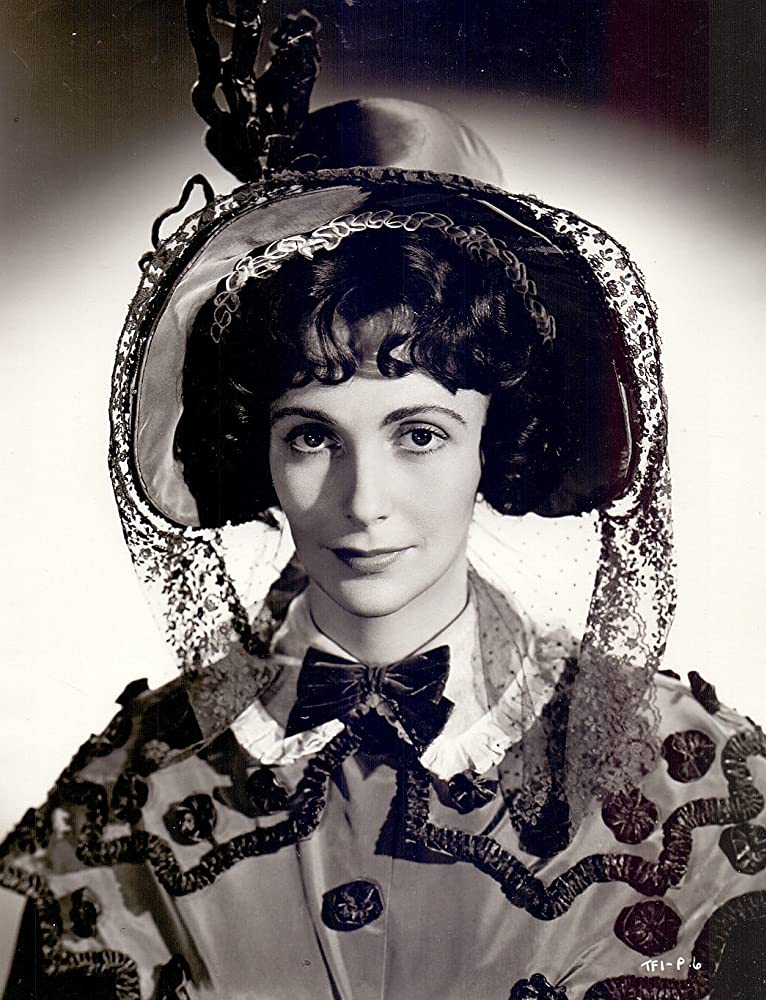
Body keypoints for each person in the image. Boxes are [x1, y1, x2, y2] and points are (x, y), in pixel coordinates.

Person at [2, 14, 765, 1000]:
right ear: (256, 451)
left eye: (419, 435)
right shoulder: (128, 795)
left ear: (494, 439)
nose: (364, 503)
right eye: (311, 436)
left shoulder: (683, 776)